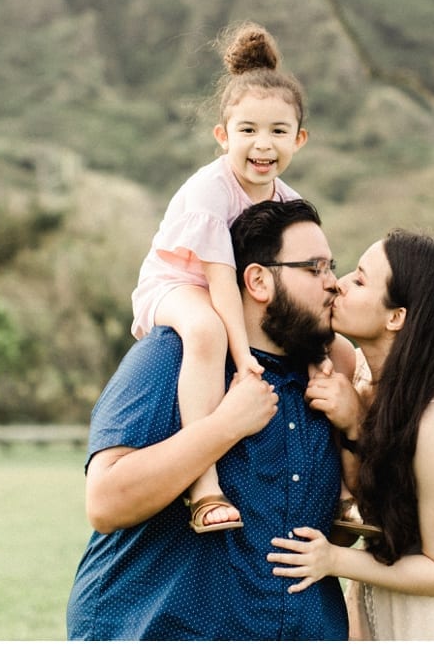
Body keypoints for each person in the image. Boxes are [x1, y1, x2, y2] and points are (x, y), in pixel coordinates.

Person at [66, 198, 351, 640]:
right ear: (258, 280)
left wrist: (355, 425)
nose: (334, 284)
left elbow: (336, 534)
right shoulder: (173, 355)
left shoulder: (325, 384)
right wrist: (225, 426)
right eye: (314, 269)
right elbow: (105, 503)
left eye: (332, 267)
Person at [269, 230, 434, 640]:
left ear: (396, 317)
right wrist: (351, 425)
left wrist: (333, 560)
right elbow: (374, 498)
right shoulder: (365, 381)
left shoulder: (433, 425)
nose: (338, 283)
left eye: (360, 280)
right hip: (381, 606)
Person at [128, 21, 310, 533]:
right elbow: (221, 282)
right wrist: (243, 357)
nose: (262, 144)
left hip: (232, 293)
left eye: (277, 131)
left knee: (328, 350)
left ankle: (347, 495)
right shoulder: (211, 192)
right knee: (206, 330)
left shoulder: (289, 202)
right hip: (176, 285)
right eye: (247, 130)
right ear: (222, 136)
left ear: (299, 138)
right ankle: (204, 489)